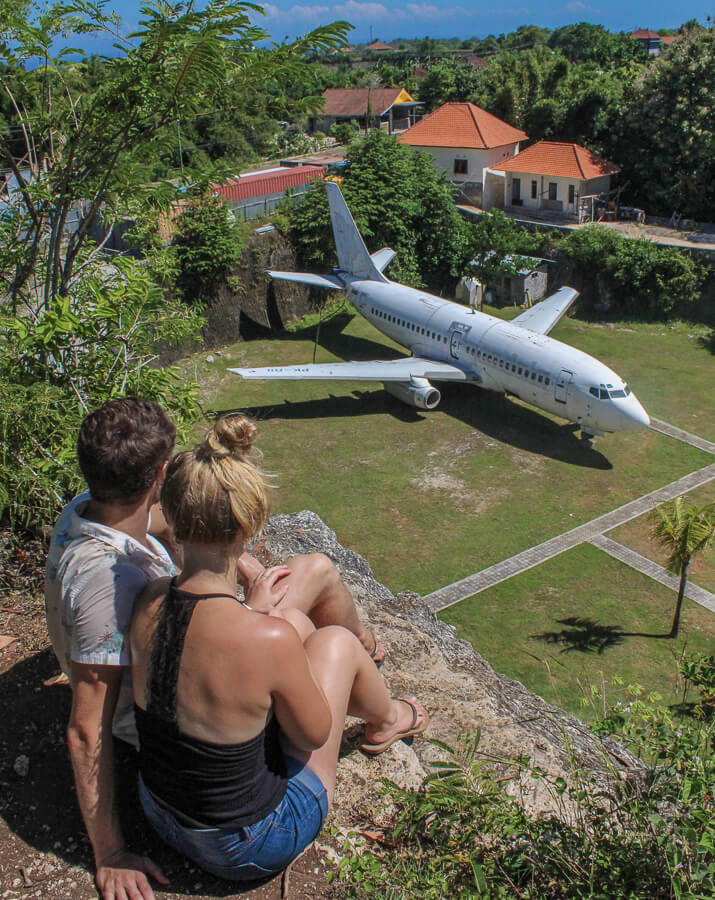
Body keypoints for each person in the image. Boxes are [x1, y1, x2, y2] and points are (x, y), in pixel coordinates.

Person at [44, 399, 389, 900]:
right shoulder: (110, 582)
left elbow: (171, 523)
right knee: (320, 637)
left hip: (159, 799)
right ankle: (386, 707)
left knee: (301, 597)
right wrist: (109, 852)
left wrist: (245, 578)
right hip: (240, 831)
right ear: (159, 477)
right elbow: (312, 732)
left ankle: (367, 672)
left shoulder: (95, 519)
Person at [129, 416, 429, 882]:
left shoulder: (147, 601)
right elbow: (311, 734)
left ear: (172, 522)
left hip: (157, 807)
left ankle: (383, 712)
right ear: (246, 528)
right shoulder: (266, 639)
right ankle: (387, 720)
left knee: (291, 622)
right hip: (243, 846)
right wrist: (268, 627)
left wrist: (262, 617)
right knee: (334, 643)